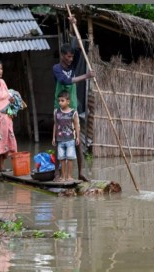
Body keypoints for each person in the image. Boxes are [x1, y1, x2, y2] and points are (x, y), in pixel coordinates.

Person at [52, 16, 95, 182]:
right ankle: (57, 173)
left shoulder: (73, 64)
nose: (70, 59)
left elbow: (78, 46)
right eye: (68, 57)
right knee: (59, 138)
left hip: (73, 107)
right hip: (59, 107)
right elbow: (66, 81)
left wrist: (73, 25)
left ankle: (81, 172)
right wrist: (86, 76)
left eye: (71, 57)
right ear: (62, 56)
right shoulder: (57, 68)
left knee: (77, 138)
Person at [52, 90, 80, 182]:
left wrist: (78, 137)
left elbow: (76, 125)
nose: (60, 102)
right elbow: (55, 125)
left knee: (70, 158)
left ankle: (69, 176)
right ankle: (63, 176)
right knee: (62, 158)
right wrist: (53, 137)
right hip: (60, 140)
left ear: (68, 101)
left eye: (62, 100)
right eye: (59, 100)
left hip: (70, 139)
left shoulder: (73, 113)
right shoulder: (57, 112)